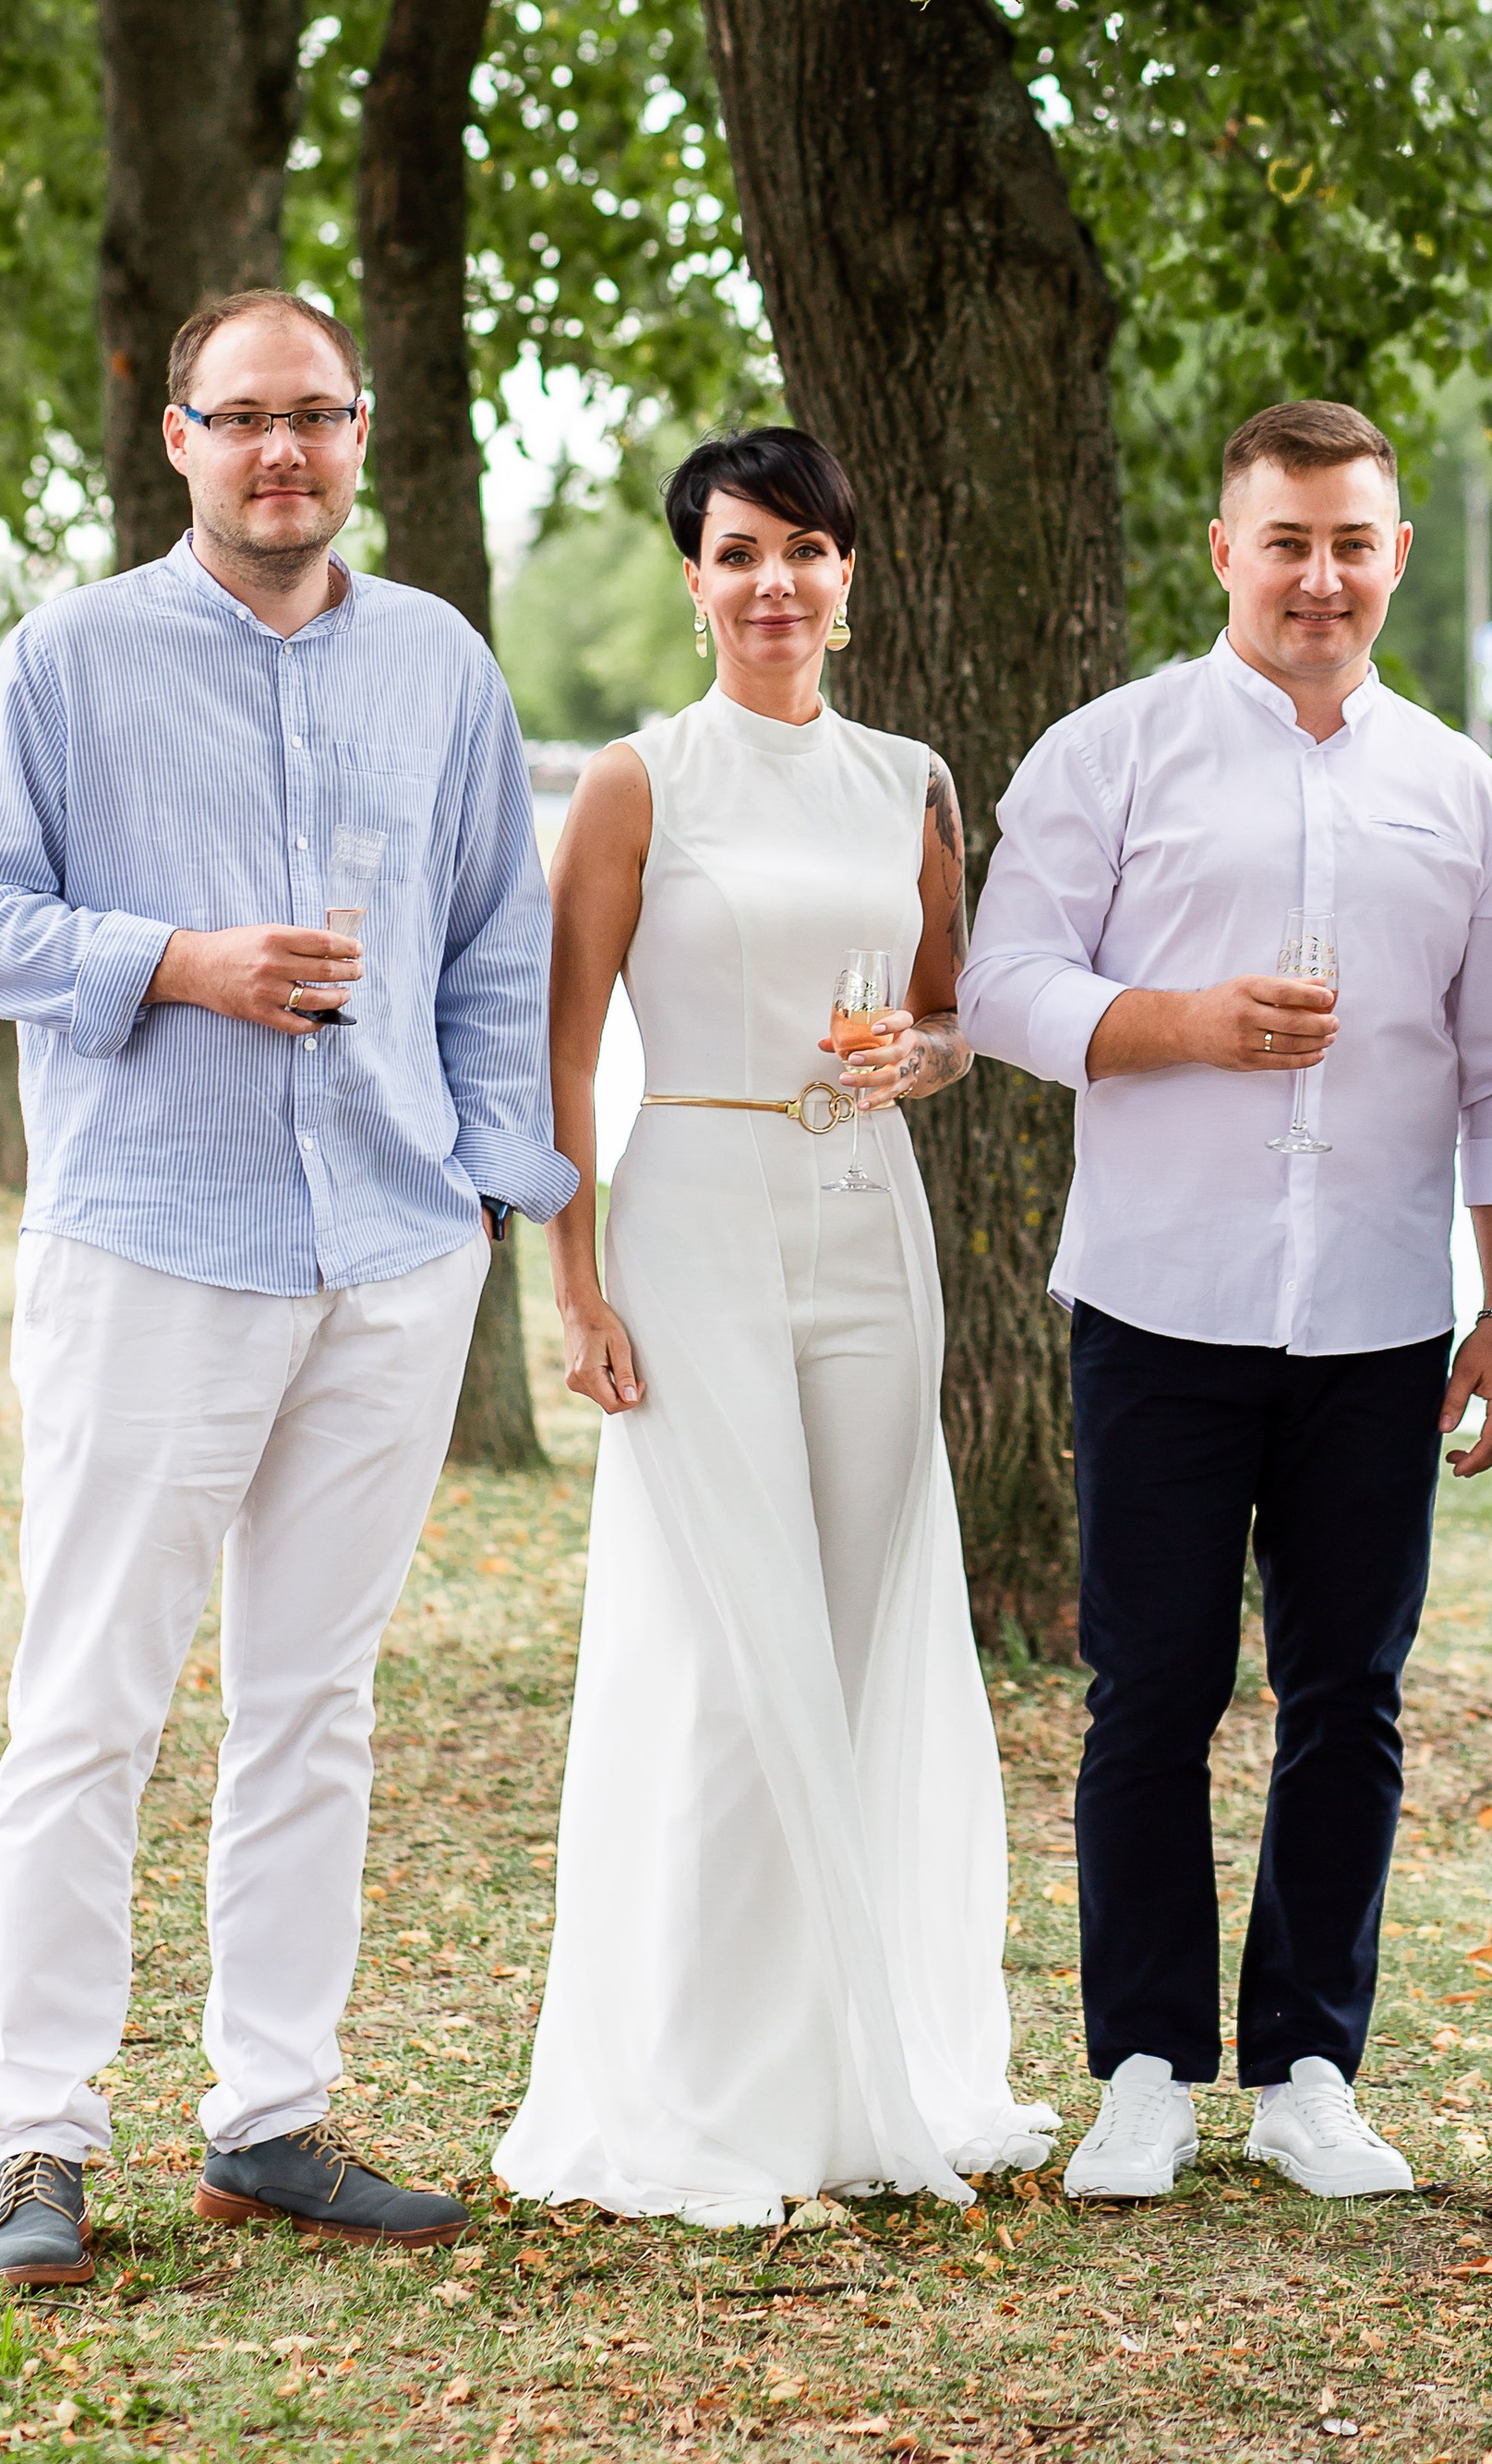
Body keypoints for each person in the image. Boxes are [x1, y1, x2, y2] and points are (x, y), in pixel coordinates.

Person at [0, 289, 575, 2290]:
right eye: (244, 420)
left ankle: (270, 2117)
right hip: (151, 1246)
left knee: (316, 1703)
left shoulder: (440, 663)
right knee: (88, 1702)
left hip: (384, 1256)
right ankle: (36, 2137)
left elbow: (493, 944)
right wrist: (173, 961)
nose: (283, 452)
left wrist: (482, 1189)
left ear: (358, 436)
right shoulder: (70, 659)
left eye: (317, 418)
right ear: (178, 439)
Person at [960, 399, 1492, 2203]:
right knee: (1150, 1687)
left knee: (1345, 1697)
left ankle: (1308, 2067)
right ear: (1224, 551)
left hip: (1377, 1315)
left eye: (1350, 543)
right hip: (1158, 1300)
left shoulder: (1456, 789)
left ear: (1385, 558)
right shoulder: (1111, 752)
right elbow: (999, 989)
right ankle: (1141, 2067)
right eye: (1284, 540)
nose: (1319, 575)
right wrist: (1184, 1026)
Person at [494, 427, 1054, 2227]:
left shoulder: (911, 782)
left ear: (847, 574)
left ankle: (860, 2063)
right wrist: (571, 1282)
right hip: (695, 1218)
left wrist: (922, 1056)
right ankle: (704, 2092)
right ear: (692, 578)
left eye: (805, 551)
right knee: (732, 1643)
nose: (772, 585)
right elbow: (563, 1046)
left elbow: (954, 1018)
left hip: (864, 1219)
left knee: (865, 1621)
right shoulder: (635, 782)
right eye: (738, 553)